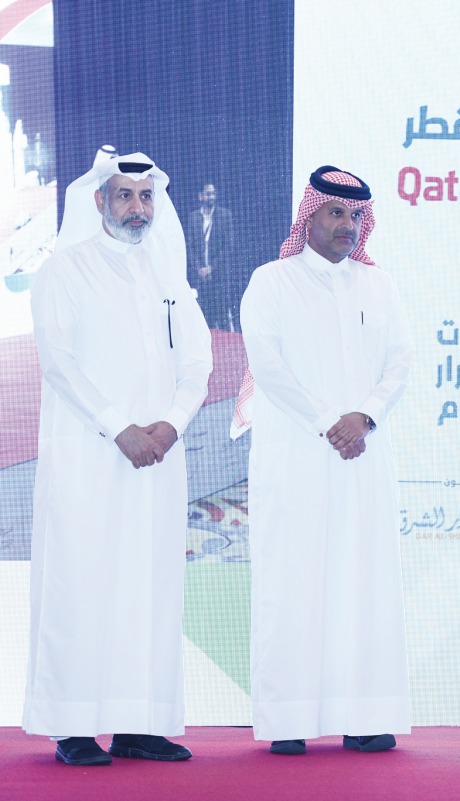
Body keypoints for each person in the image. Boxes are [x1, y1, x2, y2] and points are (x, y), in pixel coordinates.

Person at [24, 153, 212, 766]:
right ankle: (72, 726)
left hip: (158, 458)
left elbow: (197, 363)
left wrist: (171, 424)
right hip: (90, 456)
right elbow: (61, 365)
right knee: (82, 581)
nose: (137, 208)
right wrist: (120, 430)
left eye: (145, 197)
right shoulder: (65, 270)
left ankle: (140, 722)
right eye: (124, 196)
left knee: (150, 585)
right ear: (99, 201)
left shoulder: (168, 278)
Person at [239, 166, 413, 756]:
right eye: (335, 212)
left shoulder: (378, 286)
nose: (347, 224)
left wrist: (362, 417)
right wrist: (327, 422)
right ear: (308, 215)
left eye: (355, 215)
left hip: (362, 453)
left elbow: (400, 363)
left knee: (362, 581)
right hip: (296, 456)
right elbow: (268, 367)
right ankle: (288, 716)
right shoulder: (272, 280)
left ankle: (362, 713)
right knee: (293, 580)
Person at [185, 182, 239, 330]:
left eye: (213, 194)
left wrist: (211, 268)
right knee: (204, 320)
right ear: (201, 196)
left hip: (219, 276)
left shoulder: (225, 215)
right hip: (200, 278)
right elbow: (190, 247)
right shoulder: (193, 217)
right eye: (208, 194)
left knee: (222, 319)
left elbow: (228, 247)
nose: (211, 197)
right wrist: (199, 268)